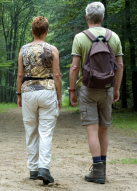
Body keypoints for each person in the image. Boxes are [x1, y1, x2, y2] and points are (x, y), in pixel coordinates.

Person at [69, 2, 123, 184]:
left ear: (87, 18)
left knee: (92, 130)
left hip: (88, 89)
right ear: (103, 17)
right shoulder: (113, 37)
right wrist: (116, 89)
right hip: (107, 88)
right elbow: (120, 65)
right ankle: (104, 169)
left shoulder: (80, 37)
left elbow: (75, 66)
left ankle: (97, 171)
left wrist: (71, 91)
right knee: (103, 130)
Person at [16, 16, 62, 185]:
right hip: (47, 91)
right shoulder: (52, 49)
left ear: (32, 31)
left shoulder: (23, 49)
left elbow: (20, 75)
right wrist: (59, 95)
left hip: (28, 91)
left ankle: (33, 169)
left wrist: (18, 94)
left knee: (31, 130)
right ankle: (44, 167)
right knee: (46, 132)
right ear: (47, 31)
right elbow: (57, 75)